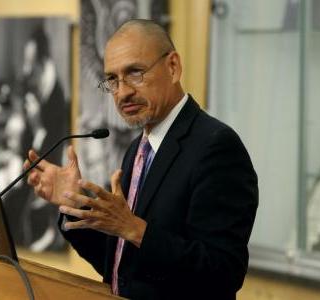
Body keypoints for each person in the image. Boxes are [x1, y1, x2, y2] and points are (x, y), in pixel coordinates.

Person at [24, 19, 258, 299]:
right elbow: (122, 267)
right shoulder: (138, 149)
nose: (122, 92)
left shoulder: (216, 147)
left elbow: (223, 273)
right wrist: (73, 204)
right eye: (112, 79)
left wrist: (134, 229)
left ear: (173, 67)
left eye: (135, 73)